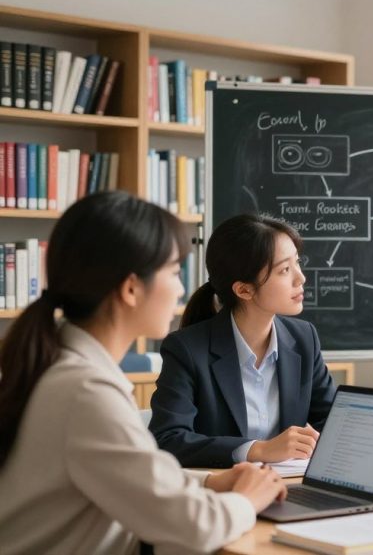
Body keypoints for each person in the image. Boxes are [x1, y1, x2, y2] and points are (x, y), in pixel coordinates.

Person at [0, 192, 286, 554]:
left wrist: (212, 483)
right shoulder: (85, 391)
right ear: (132, 288)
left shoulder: (64, 365)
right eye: (173, 271)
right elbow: (193, 525)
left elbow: (129, 478)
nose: (182, 288)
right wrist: (247, 499)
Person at [149, 214, 335, 468]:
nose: (300, 278)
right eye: (284, 270)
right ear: (244, 290)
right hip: (224, 494)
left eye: (297, 263)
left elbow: (332, 420)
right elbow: (169, 439)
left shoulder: (303, 338)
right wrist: (259, 450)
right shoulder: (187, 349)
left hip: (292, 485)